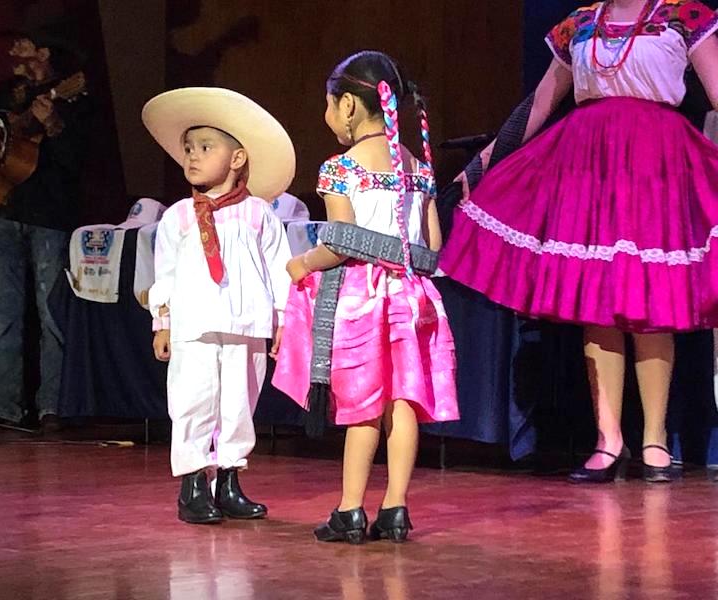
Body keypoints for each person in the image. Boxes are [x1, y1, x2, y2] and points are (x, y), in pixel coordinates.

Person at [438, 0, 718, 483]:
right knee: (597, 299)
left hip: (656, 167)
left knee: (650, 297)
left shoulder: (683, 14)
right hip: (588, 168)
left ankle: (654, 438)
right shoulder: (581, 22)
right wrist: (481, 164)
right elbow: (542, 101)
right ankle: (608, 439)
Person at [272, 51, 458, 543]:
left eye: (329, 105)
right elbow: (432, 248)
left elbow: (340, 242)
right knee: (404, 400)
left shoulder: (340, 169)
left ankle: (350, 509)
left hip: (361, 298)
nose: (327, 115)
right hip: (413, 297)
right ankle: (395, 507)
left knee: (362, 406)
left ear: (350, 107)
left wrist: (302, 263)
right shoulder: (418, 169)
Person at [142, 87, 294, 524]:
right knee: (193, 401)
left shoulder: (260, 214)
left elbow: (279, 269)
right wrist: (163, 322)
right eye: (188, 148)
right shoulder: (178, 217)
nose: (192, 156)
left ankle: (229, 481)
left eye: (205, 147)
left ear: (238, 158)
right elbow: (165, 273)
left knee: (239, 403)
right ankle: (193, 483)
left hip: (246, 324)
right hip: (194, 326)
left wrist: (282, 320)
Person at [0, 16, 93, 433]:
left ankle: (53, 406)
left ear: (44, 53)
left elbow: (79, 162)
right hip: (1, 211)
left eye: (20, 44)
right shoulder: (5, 93)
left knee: (51, 316)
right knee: (6, 318)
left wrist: (53, 124)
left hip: (50, 217)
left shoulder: (73, 95)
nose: (12, 52)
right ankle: (3, 407)